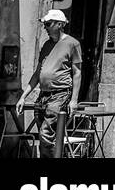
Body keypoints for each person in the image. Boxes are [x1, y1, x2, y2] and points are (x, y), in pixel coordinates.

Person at [17, 9, 82, 158]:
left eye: (48, 24)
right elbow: (37, 73)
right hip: (42, 96)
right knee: (45, 138)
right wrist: (23, 97)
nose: (45, 27)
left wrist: (74, 100)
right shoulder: (46, 45)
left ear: (60, 24)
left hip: (60, 94)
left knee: (46, 134)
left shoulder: (73, 44)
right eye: (45, 24)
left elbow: (77, 72)